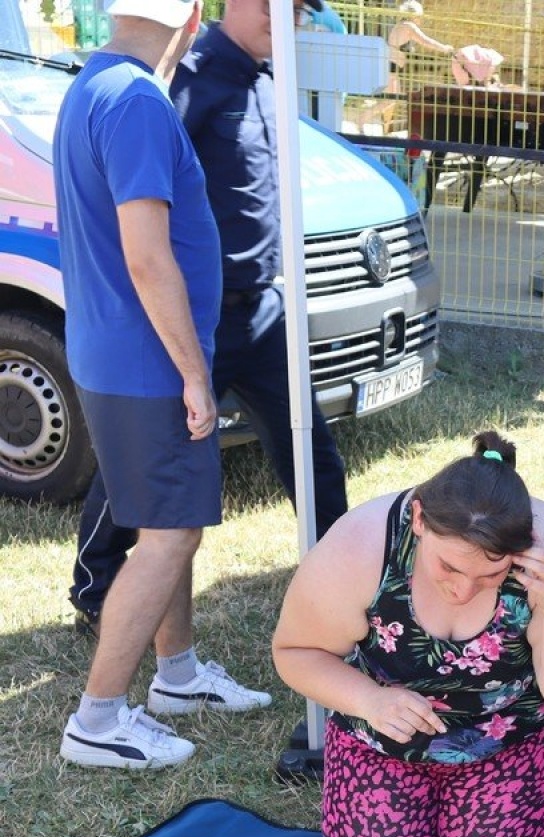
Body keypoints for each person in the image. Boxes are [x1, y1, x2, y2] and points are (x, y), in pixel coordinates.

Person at [68, 0, 352, 641]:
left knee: (311, 453)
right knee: (141, 468)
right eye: (285, 11)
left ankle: (344, 579)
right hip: (196, 322)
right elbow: (145, 205)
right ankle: (97, 586)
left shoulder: (267, 83)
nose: (294, 25)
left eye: (303, 16)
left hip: (261, 310)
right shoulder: (181, 81)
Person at [272, 431, 544, 837]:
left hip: (511, 743)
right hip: (382, 741)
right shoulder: (364, 544)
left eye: (490, 575)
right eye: (448, 566)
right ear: (419, 520)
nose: (461, 588)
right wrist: (370, 699)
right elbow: (295, 652)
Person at [53, 0, 273, 771]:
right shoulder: (139, 100)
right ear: (190, 16)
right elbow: (147, 255)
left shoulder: (94, 83)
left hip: (114, 352)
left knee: (168, 519)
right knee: (172, 533)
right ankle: (98, 719)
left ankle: (176, 676)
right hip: (146, 361)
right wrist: (191, 373)